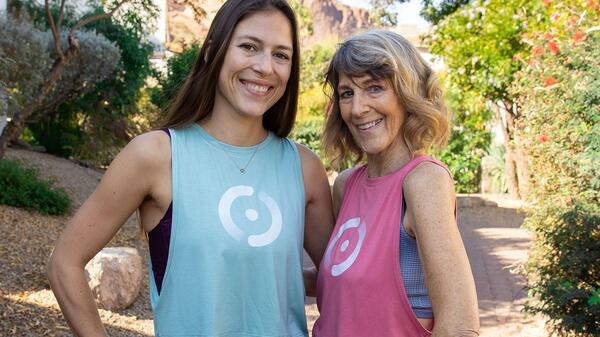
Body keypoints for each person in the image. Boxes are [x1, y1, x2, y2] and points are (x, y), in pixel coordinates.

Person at [47, 1, 333, 336]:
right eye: (249, 47)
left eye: (281, 55)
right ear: (213, 53)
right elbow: (64, 263)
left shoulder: (304, 167)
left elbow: (340, 279)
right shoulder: (155, 155)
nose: (265, 66)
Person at [311, 30, 479, 337]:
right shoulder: (347, 185)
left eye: (374, 88)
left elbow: (460, 325)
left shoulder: (423, 182)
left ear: (407, 94)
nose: (358, 108)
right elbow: (347, 280)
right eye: (347, 93)